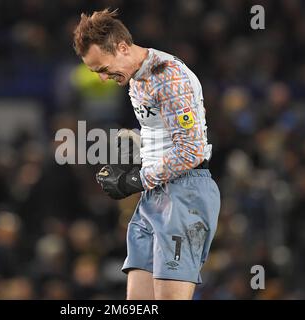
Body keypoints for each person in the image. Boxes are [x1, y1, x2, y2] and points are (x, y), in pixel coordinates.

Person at [73, 8, 220, 300]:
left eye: (103, 68)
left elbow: (191, 151)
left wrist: (135, 180)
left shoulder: (168, 75)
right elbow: (166, 134)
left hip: (185, 195)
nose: (103, 79)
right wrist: (135, 146)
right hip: (156, 194)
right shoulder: (136, 78)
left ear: (123, 47)